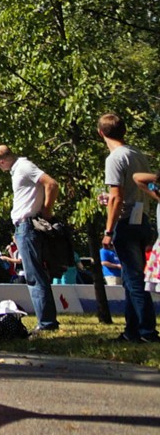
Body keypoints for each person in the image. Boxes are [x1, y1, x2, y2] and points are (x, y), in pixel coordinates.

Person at [98, 114, 157, 342]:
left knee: (133, 281)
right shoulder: (137, 154)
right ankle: (132, 331)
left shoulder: (114, 158)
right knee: (132, 279)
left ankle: (147, 330)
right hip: (142, 219)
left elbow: (117, 198)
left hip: (126, 224)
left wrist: (108, 231)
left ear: (101, 133)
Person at [0, 145, 61, 332]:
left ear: (3, 160)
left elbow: (51, 184)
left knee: (34, 276)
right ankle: (47, 320)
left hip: (28, 225)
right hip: (23, 226)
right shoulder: (18, 170)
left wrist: (47, 211)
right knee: (35, 275)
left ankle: (46, 323)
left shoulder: (23, 167)